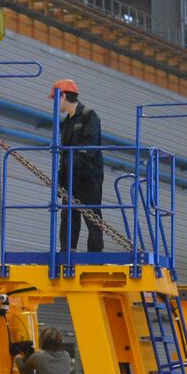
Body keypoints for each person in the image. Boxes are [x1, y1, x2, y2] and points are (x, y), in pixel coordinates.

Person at [52, 79, 103, 252]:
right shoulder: (66, 123)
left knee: (92, 216)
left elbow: (90, 147)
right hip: (70, 176)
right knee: (68, 214)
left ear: (64, 96)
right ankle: (67, 251)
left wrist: (74, 164)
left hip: (89, 176)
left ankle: (95, 255)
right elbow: (64, 153)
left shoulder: (89, 116)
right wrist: (61, 178)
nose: (55, 104)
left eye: (56, 99)